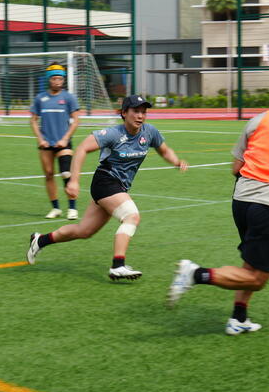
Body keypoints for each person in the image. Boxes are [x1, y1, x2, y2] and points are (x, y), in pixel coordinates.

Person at [166, 77, 269, 335]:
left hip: (242, 201)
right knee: (258, 278)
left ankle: (239, 317)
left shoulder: (259, 120)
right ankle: (196, 274)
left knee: (251, 263)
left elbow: (236, 167)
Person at [26, 94, 188, 281]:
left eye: (144, 112)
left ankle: (40, 240)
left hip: (117, 187)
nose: (140, 116)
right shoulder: (113, 134)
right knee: (131, 216)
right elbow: (82, 148)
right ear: (124, 113)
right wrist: (74, 181)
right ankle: (118, 265)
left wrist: (176, 161)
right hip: (105, 182)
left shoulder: (149, 132)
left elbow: (164, 150)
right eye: (136, 111)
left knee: (84, 231)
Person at [30, 63, 81, 220]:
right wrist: (40, 139)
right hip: (46, 143)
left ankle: (72, 208)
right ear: (49, 79)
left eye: (60, 79)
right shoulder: (40, 98)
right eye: (54, 79)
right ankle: (56, 208)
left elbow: (76, 120)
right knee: (49, 174)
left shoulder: (68, 97)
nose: (57, 81)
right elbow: (33, 120)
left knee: (66, 173)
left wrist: (65, 138)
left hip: (63, 143)